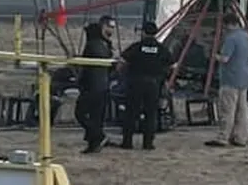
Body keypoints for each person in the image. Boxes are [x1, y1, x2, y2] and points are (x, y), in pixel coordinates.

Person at [118, 21, 175, 150]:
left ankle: (127, 142)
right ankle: (148, 143)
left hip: (136, 83)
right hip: (153, 84)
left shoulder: (137, 47)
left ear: (143, 32)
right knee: (151, 114)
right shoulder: (161, 49)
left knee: (131, 112)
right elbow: (172, 65)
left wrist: (123, 73)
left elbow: (122, 61)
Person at [206, 13, 248, 148]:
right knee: (242, 110)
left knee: (227, 109)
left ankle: (223, 136)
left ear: (229, 24)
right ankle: (240, 137)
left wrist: (214, 55)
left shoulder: (231, 38)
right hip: (244, 78)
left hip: (230, 79)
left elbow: (225, 58)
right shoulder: (247, 37)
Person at [74, 15, 116, 154]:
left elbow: (87, 66)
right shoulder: (106, 46)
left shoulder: (94, 45)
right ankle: (94, 143)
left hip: (92, 86)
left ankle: (98, 136)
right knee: (95, 116)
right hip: (102, 85)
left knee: (80, 113)